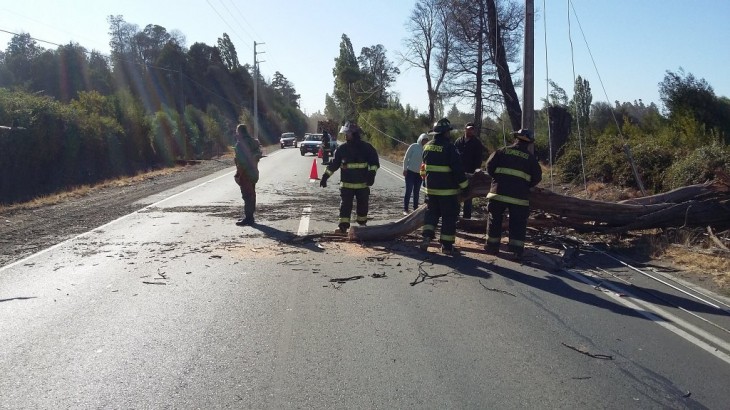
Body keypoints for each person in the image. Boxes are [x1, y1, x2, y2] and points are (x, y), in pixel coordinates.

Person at [484, 128, 542, 258]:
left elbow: (489, 166)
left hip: (498, 193)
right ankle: (516, 251)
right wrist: (526, 185)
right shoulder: (530, 159)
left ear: (516, 138)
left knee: (494, 219)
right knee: (518, 223)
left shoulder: (502, 151)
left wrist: (497, 179)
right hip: (519, 196)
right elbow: (537, 177)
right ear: (528, 143)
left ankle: (492, 247)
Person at [419, 118, 469, 255]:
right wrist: (465, 186)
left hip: (431, 190)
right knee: (448, 217)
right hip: (447, 191)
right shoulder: (450, 147)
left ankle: (426, 238)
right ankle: (447, 247)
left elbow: (423, 167)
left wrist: (425, 182)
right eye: (448, 132)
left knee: (431, 215)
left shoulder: (427, 146)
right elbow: (457, 169)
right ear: (445, 132)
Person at [319, 121, 380, 234]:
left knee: (363, 206)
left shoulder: (367, 148)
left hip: (362, 184)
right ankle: (343, 227)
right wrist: (325, 176)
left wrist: (372, 174)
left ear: (354, 134)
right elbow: (334, 164)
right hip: (347, 185)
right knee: (345, 206)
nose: (345, 136)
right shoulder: (342, 149)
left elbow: (374, 163)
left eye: (347, 133)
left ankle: (362, 226)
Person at [454, 122, 486, 219]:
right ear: (465, 129)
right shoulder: (458, 141)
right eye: (468, 129)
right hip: (458, 173)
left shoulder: (477, 143)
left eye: (472, 129)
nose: (470, 131)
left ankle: (466, 218)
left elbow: (478, 159)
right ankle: (455, 217)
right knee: (456, 195)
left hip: (470, 174)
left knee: (468, 196)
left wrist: (476, 171)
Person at [233, 123, 263, 226]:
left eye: (237, 132)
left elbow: (241, 162)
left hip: (246, 173)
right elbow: (259, 153)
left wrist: (240, 174)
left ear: (239, 132)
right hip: (254, 172)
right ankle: (250, 216)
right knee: (252, 193)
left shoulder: (240, 144)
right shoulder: (254, 142)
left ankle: (249, 217)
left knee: (247, 195)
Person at [402, 133, 429, 215]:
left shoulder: (427, 149)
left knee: (416, 192)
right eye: (424, 140)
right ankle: (405, 209)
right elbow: (406, 158)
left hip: (419, 174)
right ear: (420, 140)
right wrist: (404, 169)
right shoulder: (414, 146)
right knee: (409, 190)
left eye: (426, 140)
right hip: (410, 172)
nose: (425, 142)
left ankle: (415, 209)